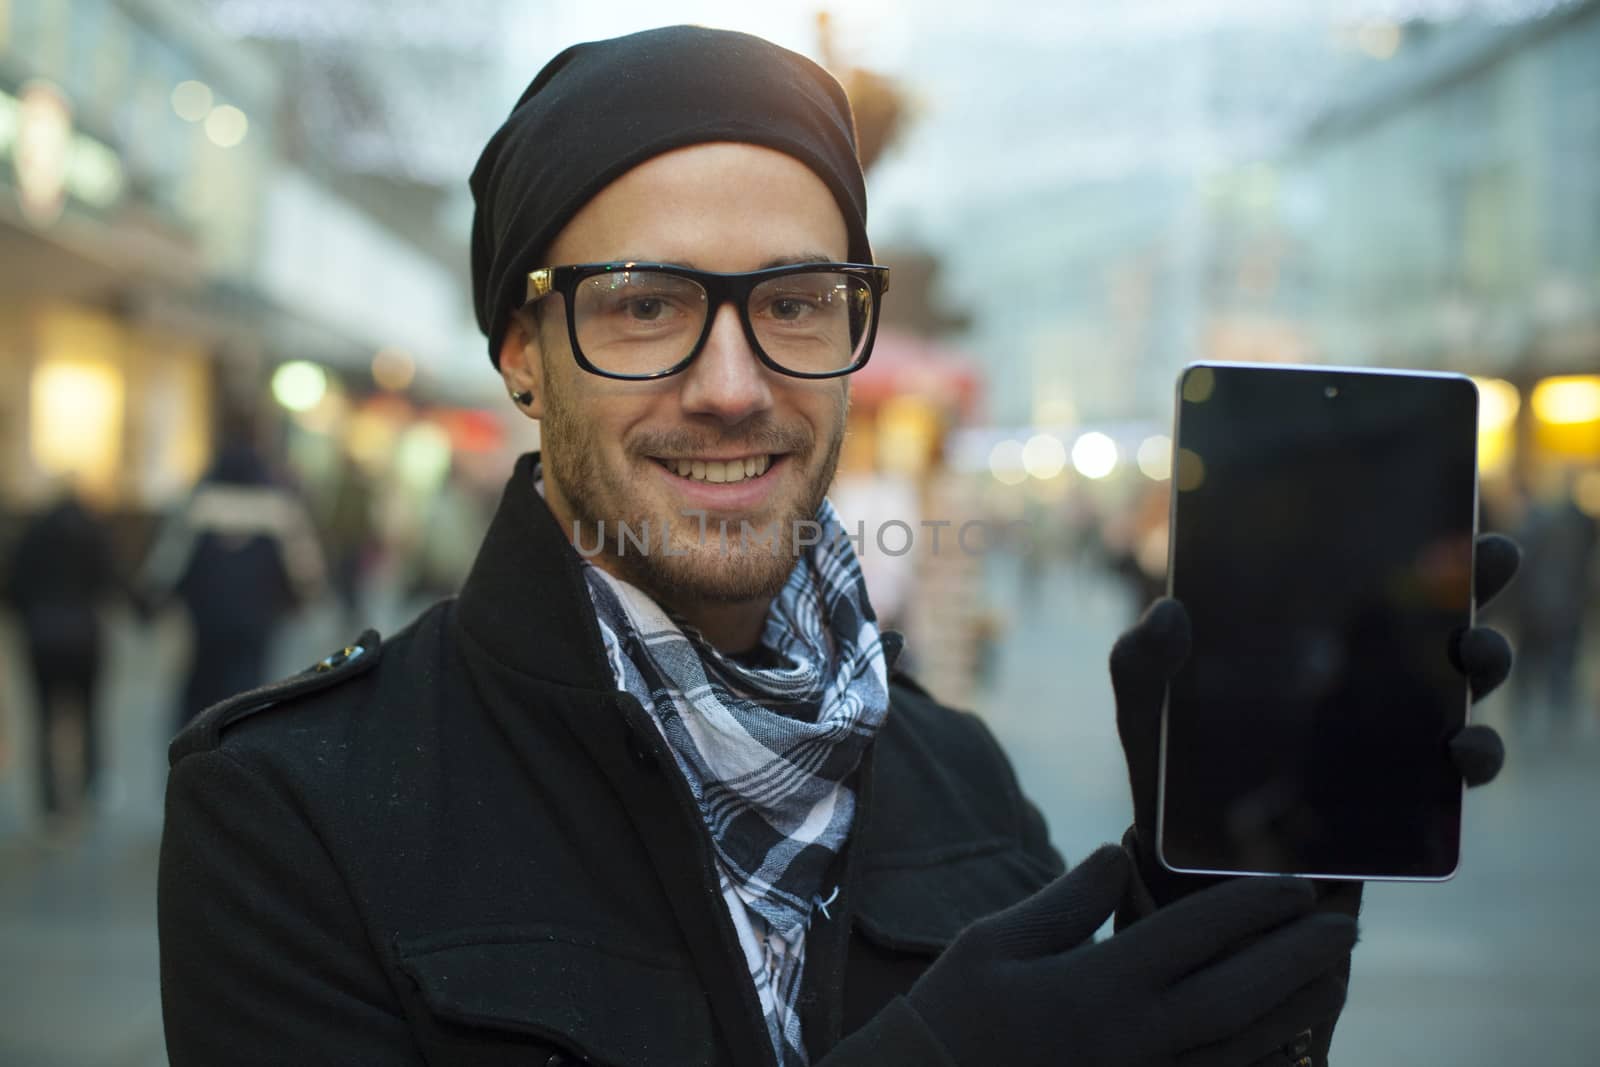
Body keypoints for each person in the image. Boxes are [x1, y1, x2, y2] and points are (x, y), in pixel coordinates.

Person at [156, 26, 1517, 1067]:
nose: (735, 384)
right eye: (644, 305)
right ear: (523, 351)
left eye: (799, 302)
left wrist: (1233, 939)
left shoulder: (958, 775)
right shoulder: (296, 808)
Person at [138, 417, 326, 731]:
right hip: (257, 621)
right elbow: (304, 565)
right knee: (249, 697)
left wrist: (150, 601)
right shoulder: (277, 500)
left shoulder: (199, 497)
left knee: (201, 694)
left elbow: (168, 560)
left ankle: (195, 761)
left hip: (207, 622)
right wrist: (308, 598)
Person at [2, 483, 118, 825]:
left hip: (42, 637)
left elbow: (12, 588)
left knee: (44, 719)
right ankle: (91, 786)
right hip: (86, 636)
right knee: (90, 714)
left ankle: (51, 803)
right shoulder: (93, 532)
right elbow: (108, 579)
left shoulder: (32, 535)